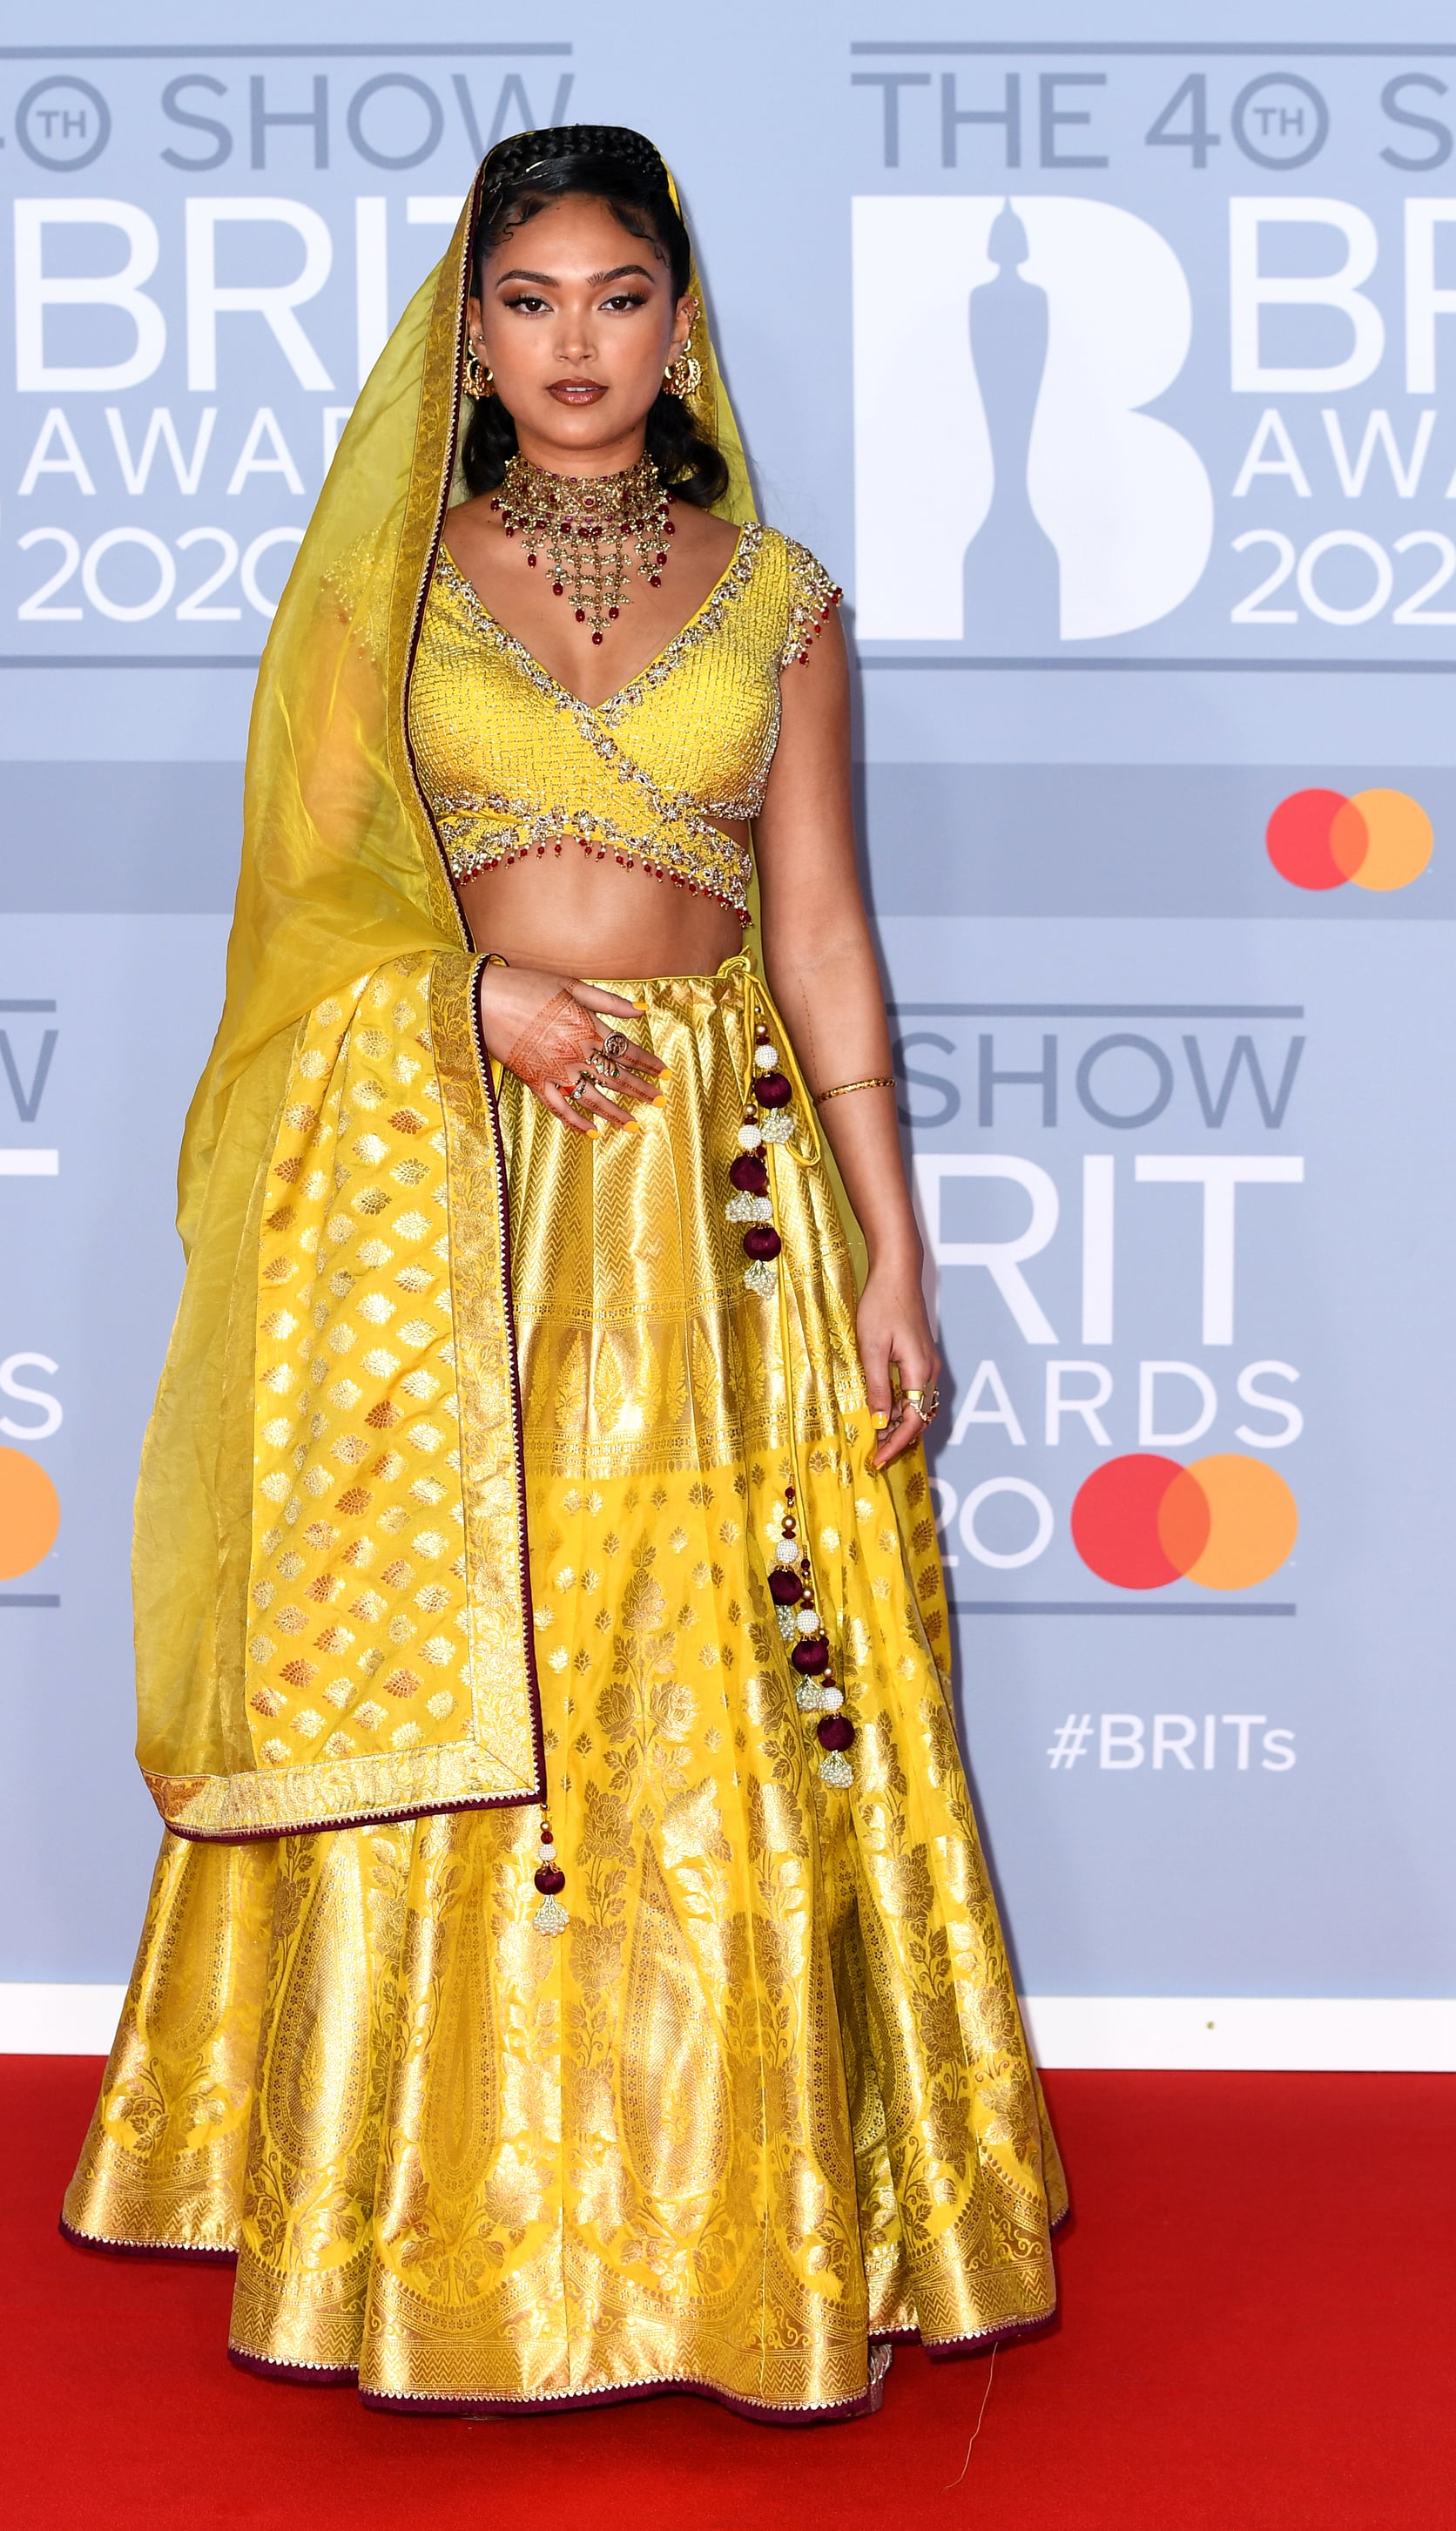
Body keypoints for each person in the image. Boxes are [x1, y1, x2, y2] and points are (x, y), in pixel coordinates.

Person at [63, 124, 1065, 2421]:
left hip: (724, 1205)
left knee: (714, 1698)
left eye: (621, 296)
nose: (578, 344)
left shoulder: (784, 594)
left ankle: (752, 2225)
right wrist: (468, 1003)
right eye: (531, 300)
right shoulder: (386, 593)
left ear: (684, 321)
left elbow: (819, 925)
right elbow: (306, 928)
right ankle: (436, 2225)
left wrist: (898, 1248)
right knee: (480, 1666)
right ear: (472, 331)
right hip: (464, 1196)